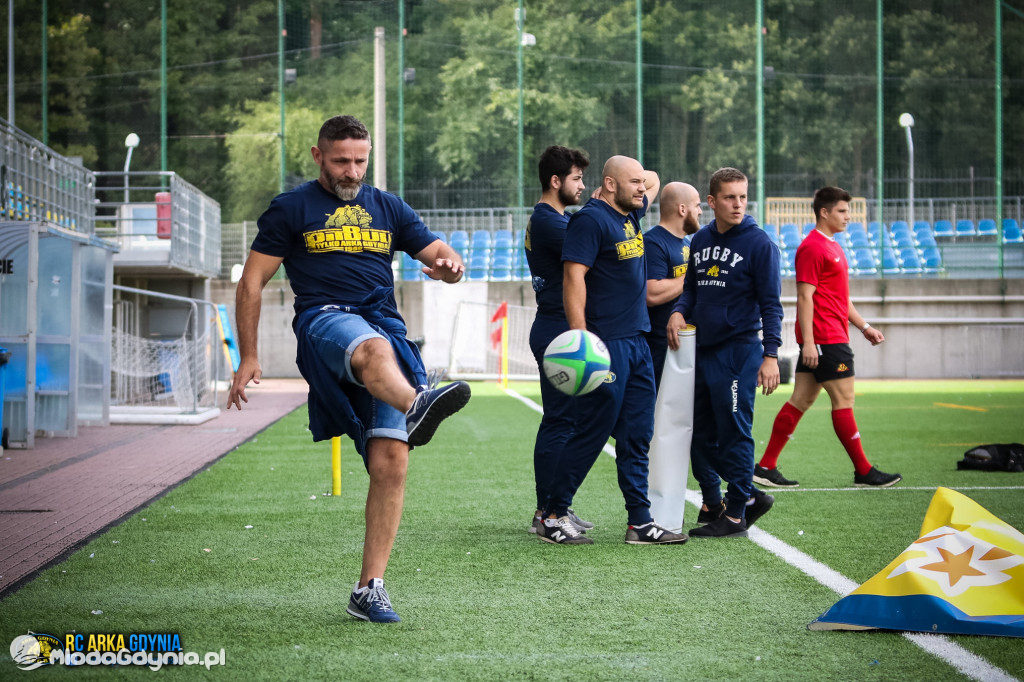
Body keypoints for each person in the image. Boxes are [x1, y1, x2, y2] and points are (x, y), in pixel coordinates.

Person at [227, 115, 472, 623]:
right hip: (325, 319)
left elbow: (439, 254)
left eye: (360, 161)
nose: (352, 171)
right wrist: (248, 355)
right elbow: (251, 282)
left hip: (384, 324)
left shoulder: (388, 207)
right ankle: (418, 404)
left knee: (392, 460)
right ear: (318, 156)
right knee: (374, 350)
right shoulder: (291, 208)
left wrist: (450, 267)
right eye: (341, 161)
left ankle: (368, 589)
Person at [537, 155, 687, 546]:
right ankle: (552, 514)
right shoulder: (591, 220)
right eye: (632, 183)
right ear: (609, 184)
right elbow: (573, 278)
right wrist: (581, 339)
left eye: (640, 183)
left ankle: (640, 522)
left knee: (637, 434)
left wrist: (633, 180)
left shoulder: (630, 213)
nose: (642, 188)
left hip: (638, 340)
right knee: (592, 430)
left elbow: (653, 179)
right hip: (606, 344)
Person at [754, 186, 901, 489]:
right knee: (844, 399)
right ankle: (863, 471)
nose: (848, 217)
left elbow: (841, 299)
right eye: (842, 211)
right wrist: (809, 342)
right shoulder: (812, 247)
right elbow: (804, 297)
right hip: (825, 339)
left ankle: (766, 467)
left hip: (829, 337)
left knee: (801, 399)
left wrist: (864, 327)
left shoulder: (833, 247)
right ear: (824, 212)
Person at [667, 167, 782, 538]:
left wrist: (771, 355)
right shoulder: (700, 239)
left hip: (739, 352)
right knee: (697, 433)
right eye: (730, 197)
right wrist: (678, 311)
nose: (738, 204)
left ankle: (735, 516)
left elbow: (771, 305)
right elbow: (691, 289)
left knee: (734, 432)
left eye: (742, 197)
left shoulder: (760, 244)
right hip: (702, 351)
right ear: (712, 201)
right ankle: (738, 497)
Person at [524, 145, 595, 536]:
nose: (582, 186)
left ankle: (555, 507)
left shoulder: (554, 219)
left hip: (556, 329)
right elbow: (595, 252)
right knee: (560, 421)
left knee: (566, 420)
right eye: (576, 178)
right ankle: (547, 513)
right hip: (556, 332)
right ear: (556, 181)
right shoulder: (550, 223)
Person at [643, 182, 701, 391]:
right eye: (697, 205)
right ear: (682, 209)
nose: (700, 211)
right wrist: (692, 277)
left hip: (683, 345)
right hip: (659, 347)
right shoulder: (653, 243)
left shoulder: (688, 244)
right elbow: (651, 293)